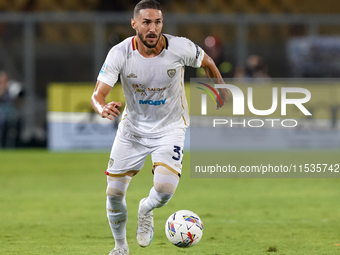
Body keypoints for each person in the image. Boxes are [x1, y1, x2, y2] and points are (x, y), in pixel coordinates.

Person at [91, 1, 229, 254]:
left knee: (164, 191)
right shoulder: (120, 53)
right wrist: (101, 108)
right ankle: (120, 247)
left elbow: (207, 62)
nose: (153, 28)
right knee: (113, 194)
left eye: (157, 22)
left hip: (170, 126)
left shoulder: (180, 47)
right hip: (132, 128)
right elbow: (97, 95)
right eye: (146, 22)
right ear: (134, 24)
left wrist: (219, 89)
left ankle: (146, 209)